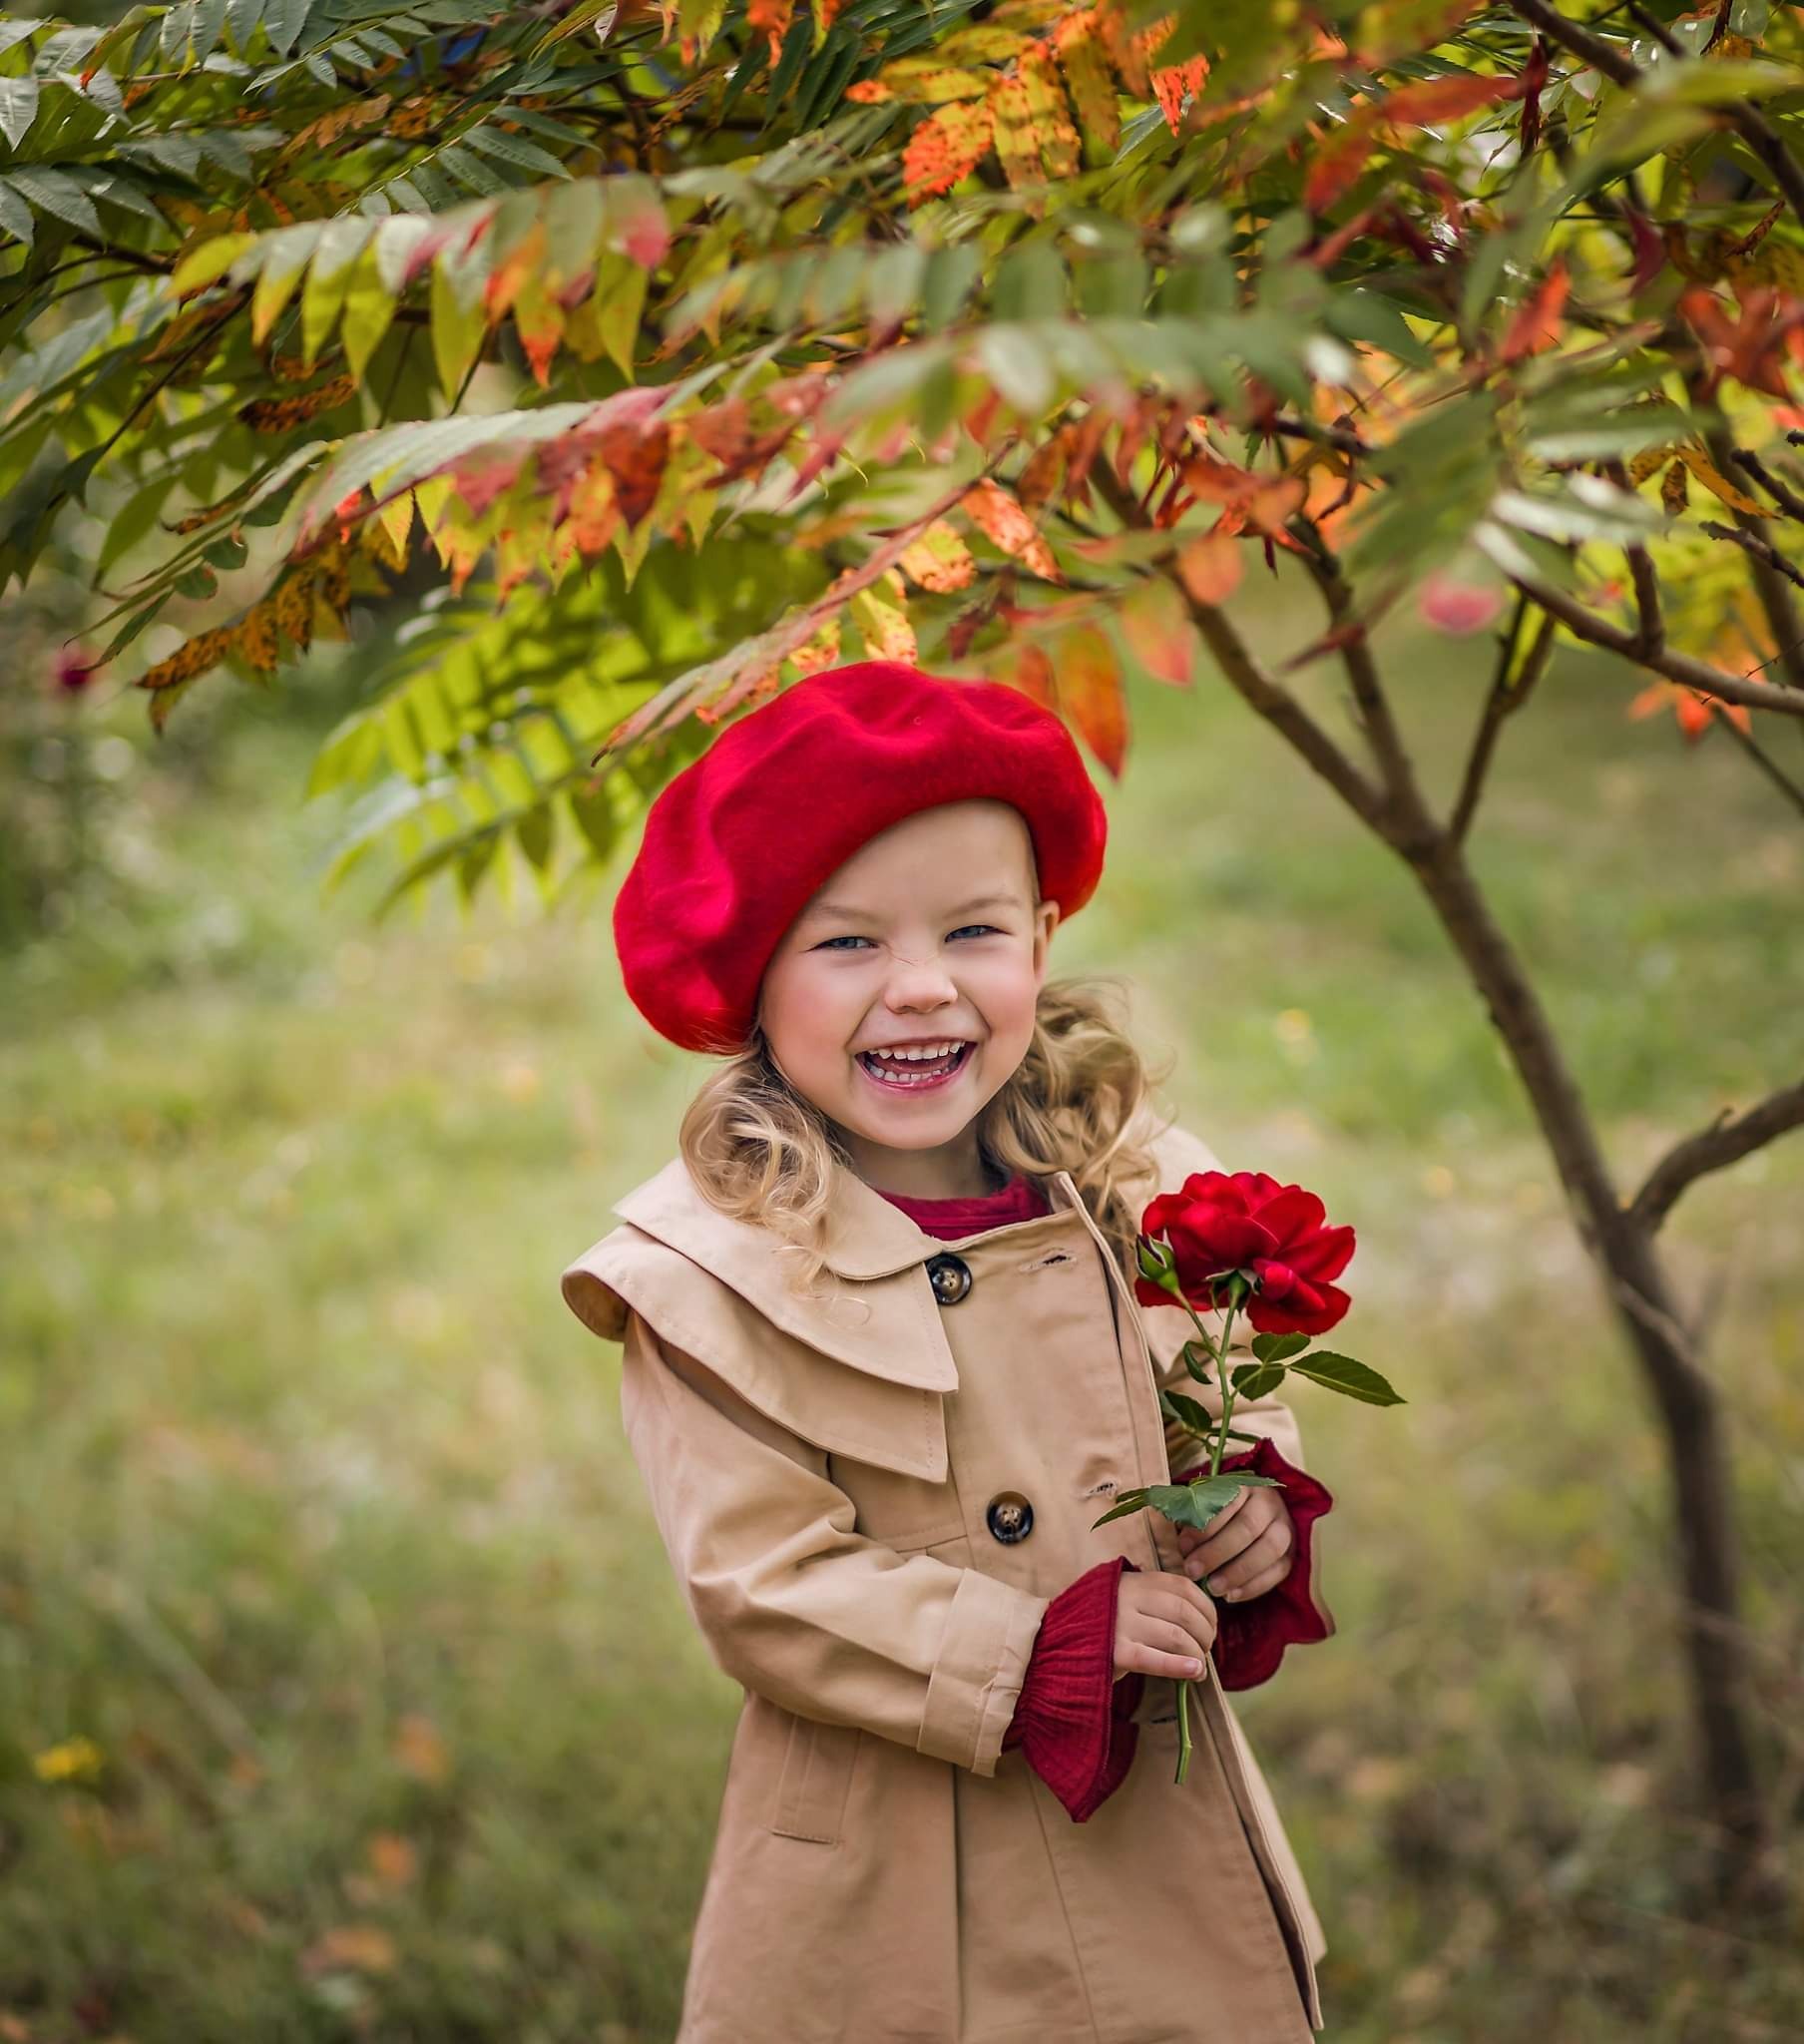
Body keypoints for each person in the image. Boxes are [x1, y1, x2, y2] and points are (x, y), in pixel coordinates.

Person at [560, 659, 1339, 2042]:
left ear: (1041, 937)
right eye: (847, 943)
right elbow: (760, 1579)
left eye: (973, 930)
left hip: (1145, 1840)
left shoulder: (1127, 1177)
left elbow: (1213, 1393)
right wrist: (1026, 1646)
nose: (921, 991)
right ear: (753, 977)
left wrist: (1253, 1504)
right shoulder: (716, 1269)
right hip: (889, 1871)